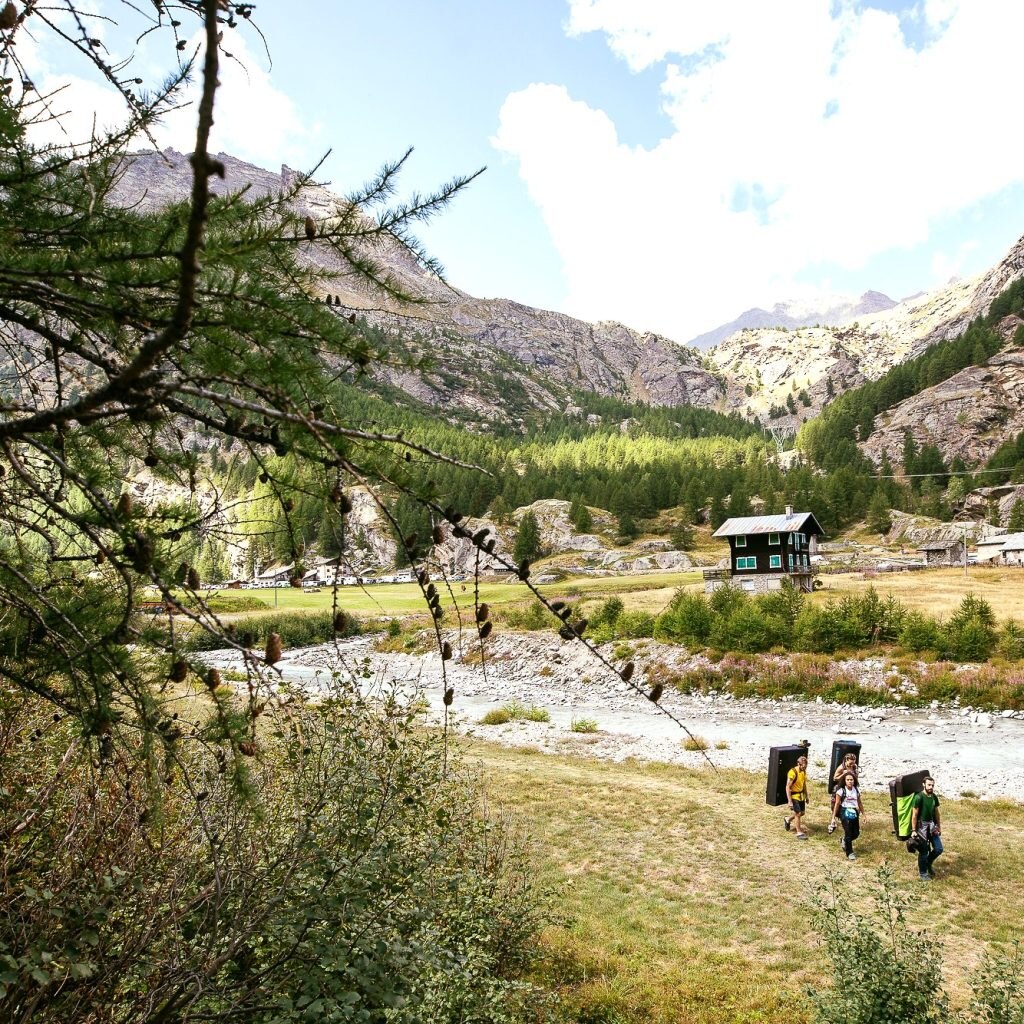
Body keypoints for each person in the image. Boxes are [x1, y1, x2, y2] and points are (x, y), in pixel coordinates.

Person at [911, 775, 943, 881]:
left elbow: (937, 813)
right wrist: (914, 830)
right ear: (923, 784)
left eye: (932, 785)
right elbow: (914, 815)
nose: (931, 787)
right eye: (929, 785)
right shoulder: (919, 797)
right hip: (922, 827)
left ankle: (928, 863)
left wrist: (939, 827)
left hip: (932, 825)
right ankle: (923, 873)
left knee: (938, 849)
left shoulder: (934, 797)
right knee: (924, 851)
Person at [830, 771, 865, 860]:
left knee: (856, 833)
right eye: (848, 780)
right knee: (848, 832)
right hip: (844, 811)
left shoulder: (856, 790)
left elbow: (859, 802)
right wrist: (833, 818)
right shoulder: (841, 791)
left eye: (851, 780)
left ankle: (844, 840)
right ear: (844, 781)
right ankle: (849, 852)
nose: (850, 781)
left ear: (854, 780)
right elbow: (837, 804)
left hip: (854, 812)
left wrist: (864, 814)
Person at [784, 754, 810, 839]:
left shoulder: (803, 771)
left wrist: (806, 796)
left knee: (802, 813)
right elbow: (788, 787)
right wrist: (789, 801)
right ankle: (799, 832)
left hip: (801, 796)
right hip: (794, 796)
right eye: (803, 766)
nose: (804, 768)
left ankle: (788, 819)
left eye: (806, 767)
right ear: (798, 764)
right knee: (798, 813)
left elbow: (804, 784)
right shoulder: (792, 772)